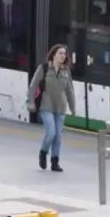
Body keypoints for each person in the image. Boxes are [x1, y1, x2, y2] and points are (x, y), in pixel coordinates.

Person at [26, 44, 74, 172]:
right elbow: (33, 86)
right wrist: (31, 102)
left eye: (64, 54)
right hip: (46, 106)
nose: (62, 56)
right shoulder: (44, 68)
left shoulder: (66, 71)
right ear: (53, 55)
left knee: (58, 137)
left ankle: (55, 162)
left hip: (60, 108)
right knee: (51, 133)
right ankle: (43, 152)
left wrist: (73, 107)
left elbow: (70, 91)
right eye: (60, 53)